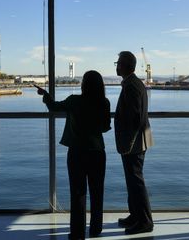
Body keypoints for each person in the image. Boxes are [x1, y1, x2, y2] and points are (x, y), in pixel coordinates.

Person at [39, 70, 111, 239]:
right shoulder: (104, 103)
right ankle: (96, 229)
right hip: (97, 152)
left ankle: (78, 232)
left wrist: (46, 95)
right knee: (97, 192)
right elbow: (105, 127)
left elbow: (54, 107)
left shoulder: (74, 101)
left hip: (77, 152)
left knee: (78, 193)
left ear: (83, 84)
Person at [114, 51, 154, 235]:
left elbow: (133, 119)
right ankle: (135, 215)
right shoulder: (134, 83)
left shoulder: (131, 86)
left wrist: (127, 144)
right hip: (138, 140)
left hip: (134, 143)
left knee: (136, 180)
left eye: (118, 63)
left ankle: (145, 221)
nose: (116, 65)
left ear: (124, 65)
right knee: (132, 180)